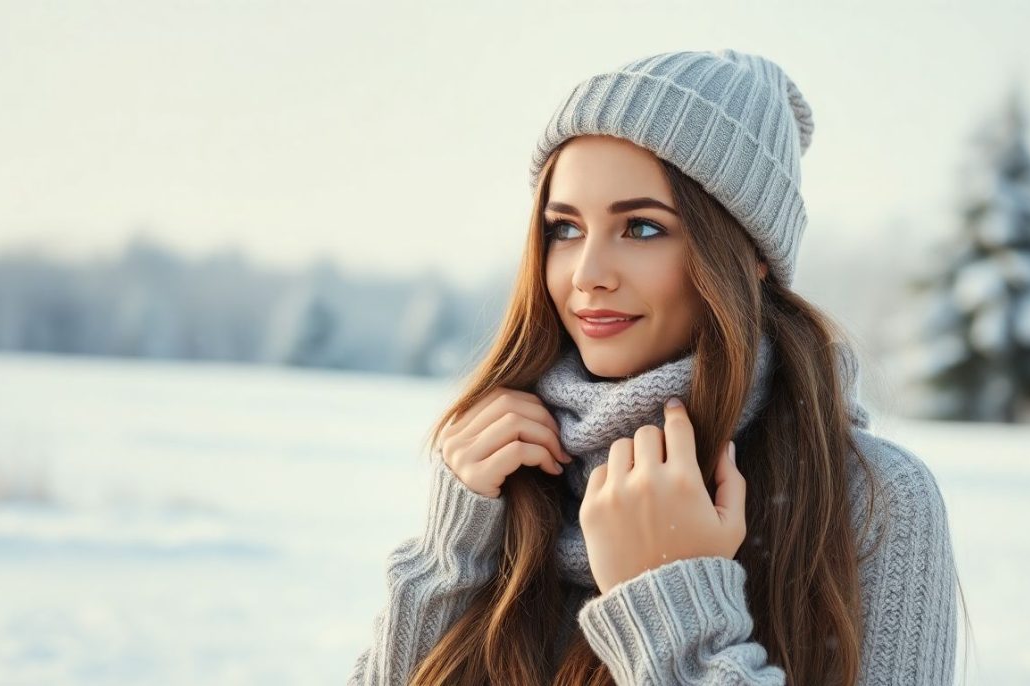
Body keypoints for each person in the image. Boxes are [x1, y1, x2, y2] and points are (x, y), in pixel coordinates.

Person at [347, 48, 965, 685]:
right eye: (564, 229)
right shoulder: (513, 469)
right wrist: (452, 553)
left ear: (750, 254)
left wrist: (672, 603)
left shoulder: (871, 498)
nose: (587, 275)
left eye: (641, 228)